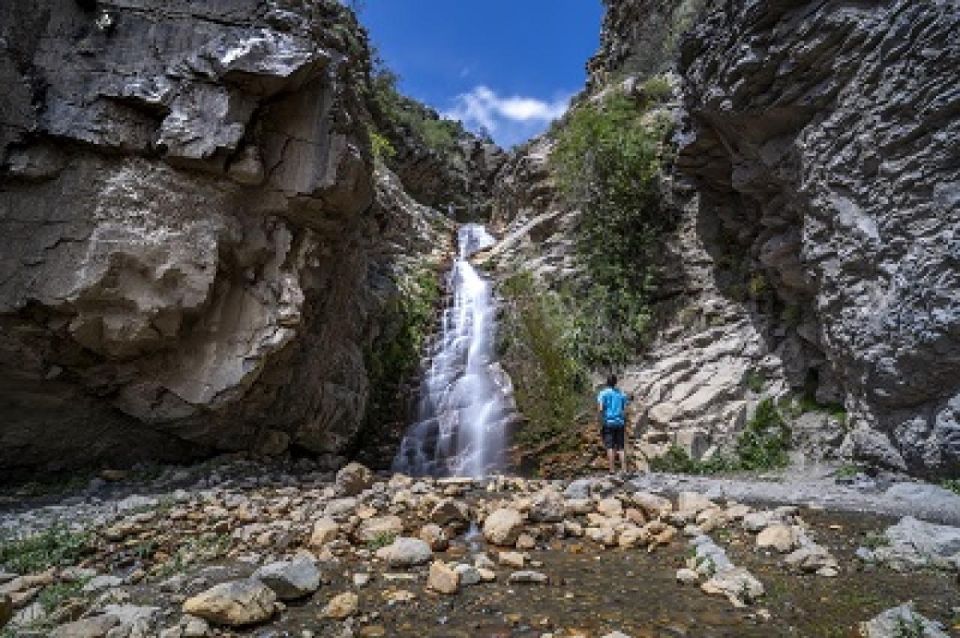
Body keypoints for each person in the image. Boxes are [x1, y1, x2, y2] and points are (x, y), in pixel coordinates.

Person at [596, 374, 630, 474]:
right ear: (615, 383)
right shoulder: (621, 394)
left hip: (609, 422)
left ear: (607, 382)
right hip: (620, 422)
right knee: (621, 447)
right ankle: (624, 470)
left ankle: (612, 470)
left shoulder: (603, 393)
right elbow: (625, 409)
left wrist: (601, 418)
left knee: (610, 446)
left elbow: (601, 409)